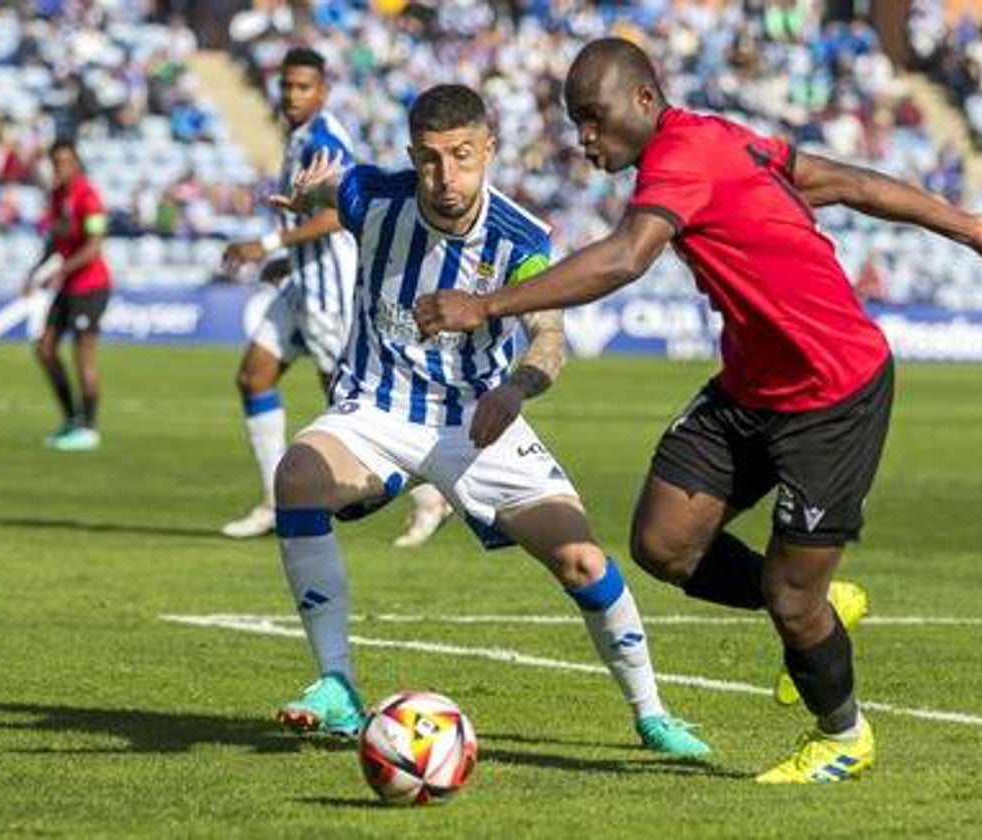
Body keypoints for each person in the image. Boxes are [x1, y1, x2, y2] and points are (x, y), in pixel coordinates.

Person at [415, 38, 982, 783]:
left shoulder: (682, 157)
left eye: (594, 117)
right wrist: (966, 224)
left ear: (645, 101)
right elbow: (838, 181)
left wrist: (485, 305)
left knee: (790, 594)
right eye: (574, 122)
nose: (585, 136)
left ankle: (843, 735)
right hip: (750, 387)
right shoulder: (719, 139)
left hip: (832, 392)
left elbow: (626, 256)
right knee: (664, 545)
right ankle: (825, 608)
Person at [264, 84, 709, 759]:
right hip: (377, 410)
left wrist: (519, 387)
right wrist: (311, 195)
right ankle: (336, 684)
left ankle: (651, 713)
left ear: (490, 150)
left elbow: (549, 337)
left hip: (477, 421)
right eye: (432, 160)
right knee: (296, 476)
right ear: (413, 156)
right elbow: (334, 191)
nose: (447, 178)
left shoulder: (519, 237)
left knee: (583, 561)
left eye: (463, 157)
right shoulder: (375, 197)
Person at [220, 47, 452, 544]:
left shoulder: (324, 140)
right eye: (286, 85)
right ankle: (270, 499)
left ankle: (431, 497)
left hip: (330, 294)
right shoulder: (300, 135)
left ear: (323, 91)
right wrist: (287, 260)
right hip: (302, 283)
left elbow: (337, 213)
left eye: (303, 87)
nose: (291, 95)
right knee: (253, 376)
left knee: (353, 405)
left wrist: (266, 245)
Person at [24, 139, 113, 453]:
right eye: (55, 162)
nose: (59, 167)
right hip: (67, 284)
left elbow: (94, 246)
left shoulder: (88, 196)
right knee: (44, 349)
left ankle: (88, 428)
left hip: (91, 285)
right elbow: (55, 239)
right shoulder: (56, 195)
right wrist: (36, 271)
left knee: (83, 356)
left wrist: (57, 271)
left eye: (65, 161)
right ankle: (72, 419)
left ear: (76, 163)